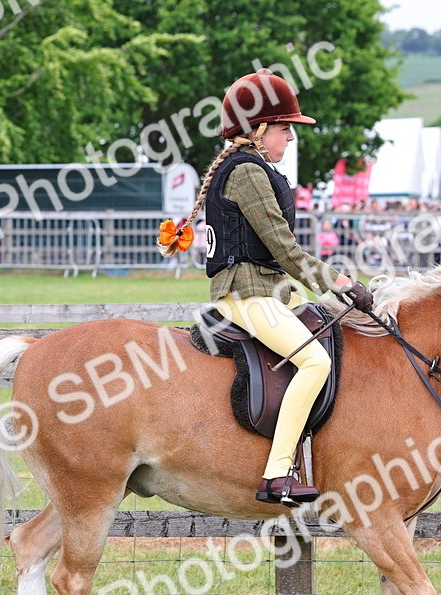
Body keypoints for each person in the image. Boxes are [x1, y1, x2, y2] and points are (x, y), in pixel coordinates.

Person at [158, 68, 373, 505]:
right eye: (284, 128)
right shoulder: (248, 174)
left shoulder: (252, 168)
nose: (290, 138)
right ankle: (277, 475)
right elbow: (285, 249)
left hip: (269, 289)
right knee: (315, 362)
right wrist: (341, 283)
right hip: (247, 294)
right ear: (257, 129)